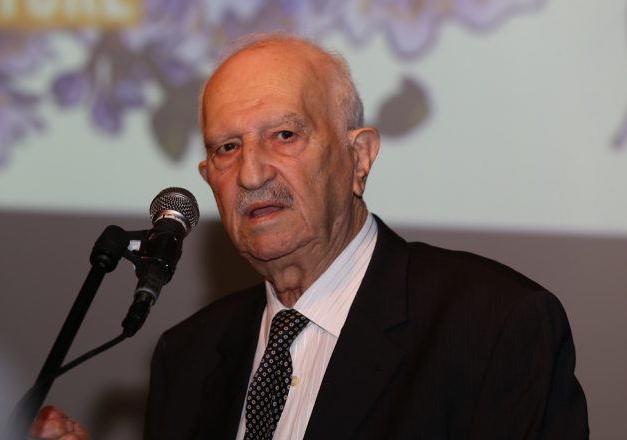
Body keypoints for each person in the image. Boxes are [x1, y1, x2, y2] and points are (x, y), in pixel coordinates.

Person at [30, 34, 588, 439]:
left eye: (284, 135)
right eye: (227, 148)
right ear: (208, 179)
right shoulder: (188, 356)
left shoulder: (494, 326)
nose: (251, 174)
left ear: (358, 158)